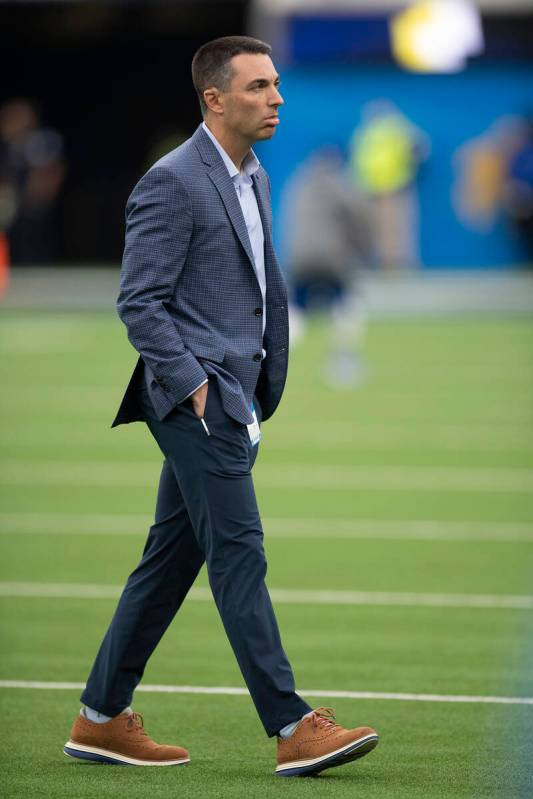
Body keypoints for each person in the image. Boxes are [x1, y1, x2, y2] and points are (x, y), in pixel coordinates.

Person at [63, 35, 379, 777]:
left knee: (169, 563)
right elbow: (138, 301)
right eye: (259, 86)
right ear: (215, 98)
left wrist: (252, 385)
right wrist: (197, 385)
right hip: (195, 398)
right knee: (239, 552)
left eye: (275, 85)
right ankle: (292, 723)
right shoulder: (172, 181)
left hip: (236, 395)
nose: (275, 97)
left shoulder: (255, 174)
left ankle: (100, 715)